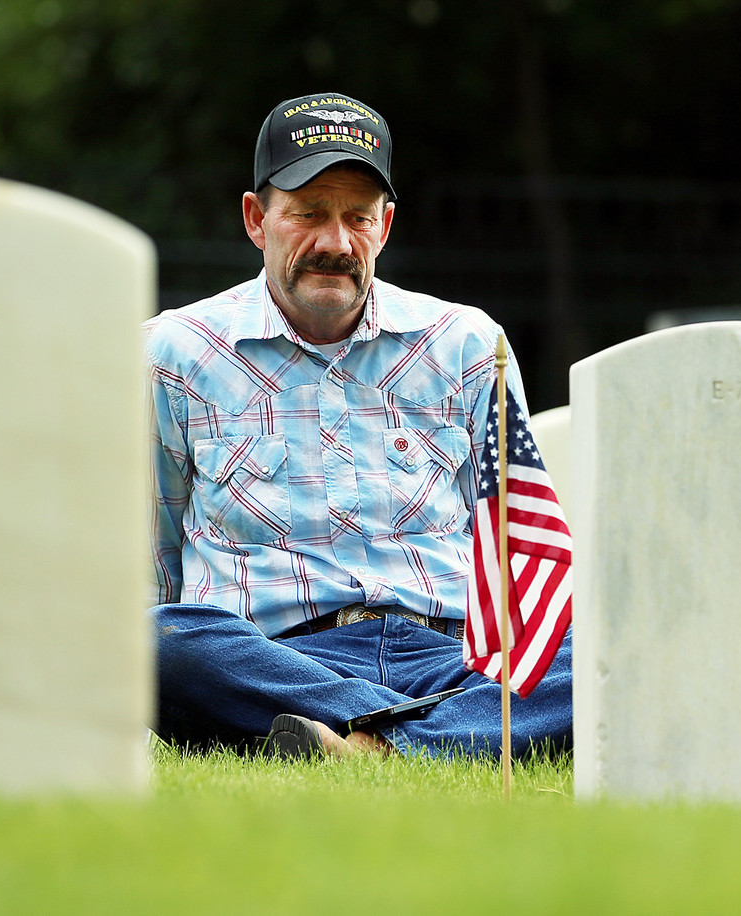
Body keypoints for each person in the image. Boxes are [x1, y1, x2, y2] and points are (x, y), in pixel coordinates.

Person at [145, 92, 572, 759]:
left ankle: (376, 746)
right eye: (309, 214)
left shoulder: (466, 345)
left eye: (357, 218)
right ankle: (452, 734)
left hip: (450, 655)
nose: (335, 243)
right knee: (154, 640)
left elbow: (515, 548)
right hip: (274, 662)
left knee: (612, 650)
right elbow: (155, 557)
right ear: (258, 220)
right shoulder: (174, 354)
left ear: (387, 225)